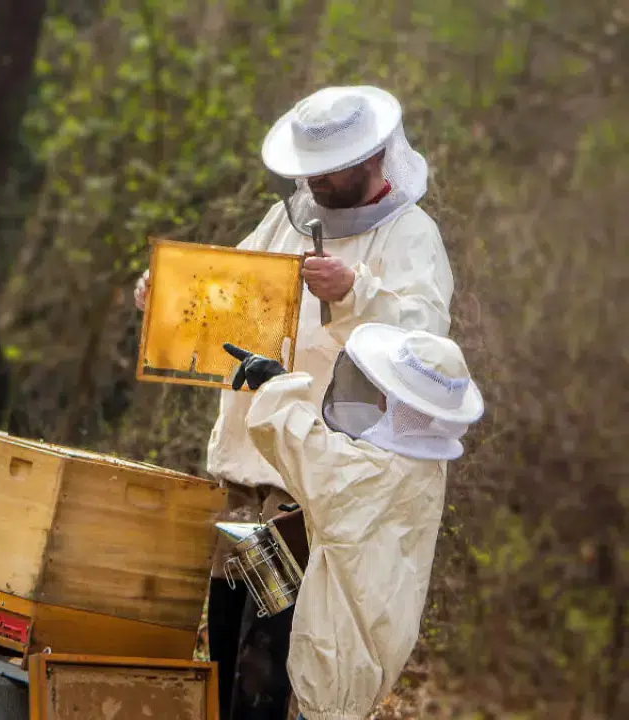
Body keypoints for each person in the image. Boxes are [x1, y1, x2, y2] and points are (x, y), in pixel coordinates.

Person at [133, 85, 454, 720]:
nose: (318, 182)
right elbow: (228, 292)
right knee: (226, 647)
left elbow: (427, 348)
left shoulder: (412, 235)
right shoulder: (289, 219)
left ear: (373, 159)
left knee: (270, 661)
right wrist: (167, 298)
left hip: (313, 490)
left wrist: (358, 290)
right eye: (311, 169)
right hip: (246, 477)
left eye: (331, 170)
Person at [221, 323, 484, 720]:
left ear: (393, 397)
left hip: (338, 678)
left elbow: (301, 444)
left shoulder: (368, 474)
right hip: (369, 659)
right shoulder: (426, 469)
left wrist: (277, 384)